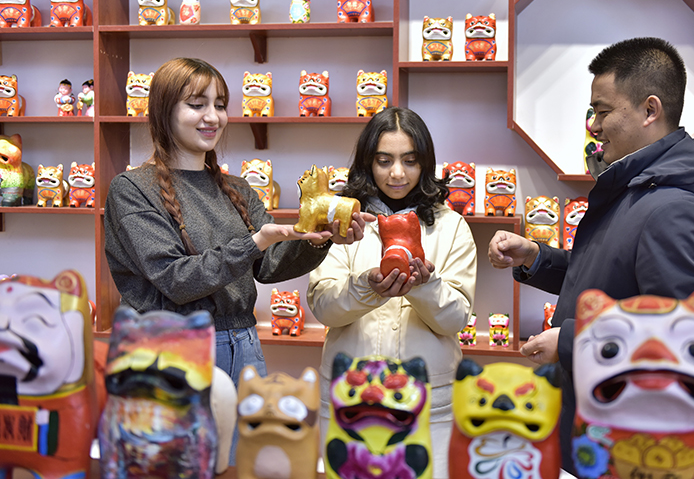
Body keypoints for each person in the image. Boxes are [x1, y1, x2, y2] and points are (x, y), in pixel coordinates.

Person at [488, 37, 694, 475]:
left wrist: (568, 341)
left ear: (650, 110)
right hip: (595, 427)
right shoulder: (639, 189)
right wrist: (536, 257)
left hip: (629, 446)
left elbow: (685, 339)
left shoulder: (674, 209)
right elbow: (607, 277)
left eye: (602, 111)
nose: (594, 127)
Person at [104, 56, 371, 388]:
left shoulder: (238, 189)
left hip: (243, 345)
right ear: (163, 111)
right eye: (197, 105)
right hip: (167, 349)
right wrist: (255, 242)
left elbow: (269, 265)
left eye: (219, 105)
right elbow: (175, 279)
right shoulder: (131, 189)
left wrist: (320, 237)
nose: (213, 117)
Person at [307, 106, 477, 479]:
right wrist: (365, 287)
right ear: (368, 162)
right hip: (351, 397)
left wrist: (425, 286)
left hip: (429, 401)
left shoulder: (451, 227)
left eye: (410, 161)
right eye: (384, 161)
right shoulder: (343, 224)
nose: (397, 173)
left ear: (425, 163)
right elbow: (323, 306)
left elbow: (456, 318)